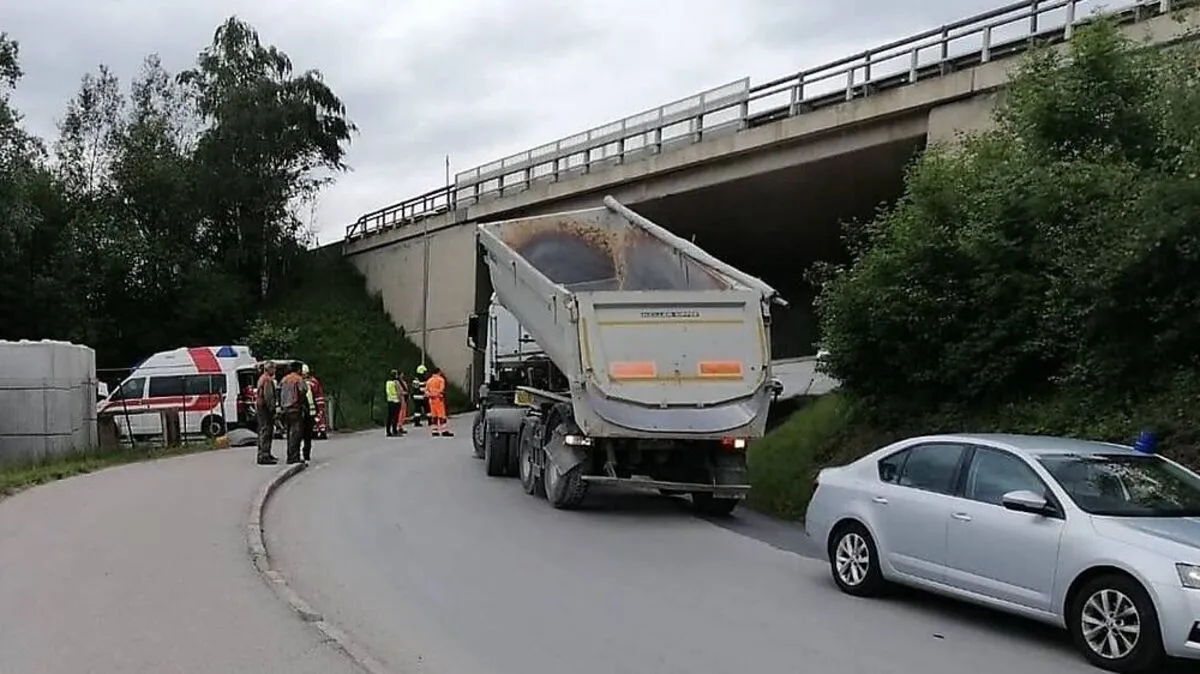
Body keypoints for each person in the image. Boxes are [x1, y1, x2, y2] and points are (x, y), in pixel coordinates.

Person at [279, 361, 307, 464]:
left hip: (285, 410)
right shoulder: (298, 379)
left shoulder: (284, 379)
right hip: (295, 408)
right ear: (298, 369)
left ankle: (289, 455)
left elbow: (279, 391)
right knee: (296, 433)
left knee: (289, 432)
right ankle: (294, 457)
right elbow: (303, 391)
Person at [255, 361, 279, 465]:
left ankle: (264, 453)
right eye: (274, 369)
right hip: (265, 409)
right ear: (269, 369)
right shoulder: (267, 380)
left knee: (263, 430)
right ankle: (264, 455)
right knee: (267, 431)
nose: (275, 371)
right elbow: (268, 396)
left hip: (260, 407)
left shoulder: (261, 378)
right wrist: (272, 409)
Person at [425, 367, 453, 437]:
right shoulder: (441, 380)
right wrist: (436, 394)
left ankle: (434, 430)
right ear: (439, 372)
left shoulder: (429, 381)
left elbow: (426, 390)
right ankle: (444, 430)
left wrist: (431, 395)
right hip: (439, 399)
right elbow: (441, 389)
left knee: (434, 415)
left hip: (431, 400)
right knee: (442, 415)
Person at [301, 364, 318, 461]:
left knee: (304, 435)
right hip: (308, 412)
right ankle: (305, 454)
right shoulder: (312, 383)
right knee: (307, 436)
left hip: (306, 412)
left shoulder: (302, 383)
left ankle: (304, 454)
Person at [385, 369, 403, 437]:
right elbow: (399, 392)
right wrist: (401, 400)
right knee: (395, 417)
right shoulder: (396, 382)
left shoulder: (388, 382)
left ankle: (388, 431)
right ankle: (394, 431)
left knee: (389, 417)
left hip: (390, 400)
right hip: (396, 401)